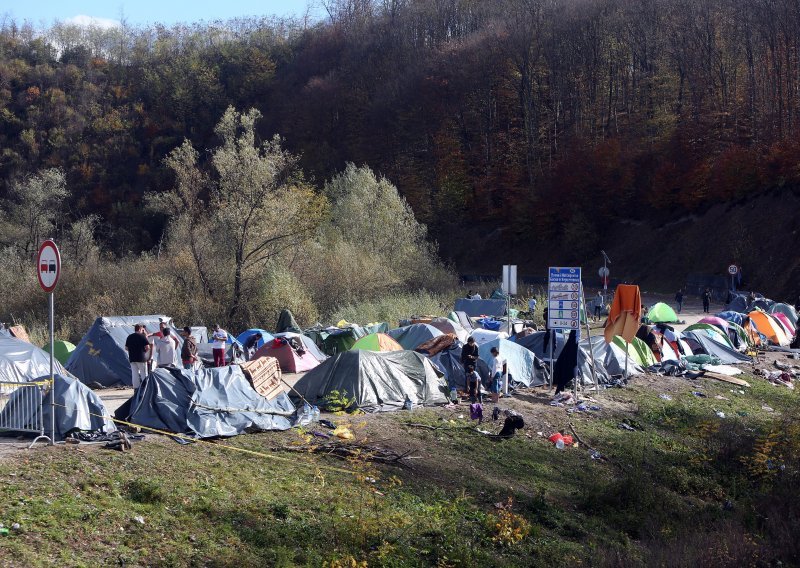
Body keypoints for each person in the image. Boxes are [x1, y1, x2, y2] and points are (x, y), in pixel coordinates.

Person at [124, 324, 151, 390]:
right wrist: (144, 351)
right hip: (141, 358)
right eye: (142, 330)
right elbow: (148, 347)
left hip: (132, 358)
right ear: (140, 329)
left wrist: (132, 350)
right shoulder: (142, 336)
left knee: (134, 374)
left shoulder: (129, 337)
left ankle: (136, 389)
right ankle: (145, 387)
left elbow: (126, 348)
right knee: (144, 373)